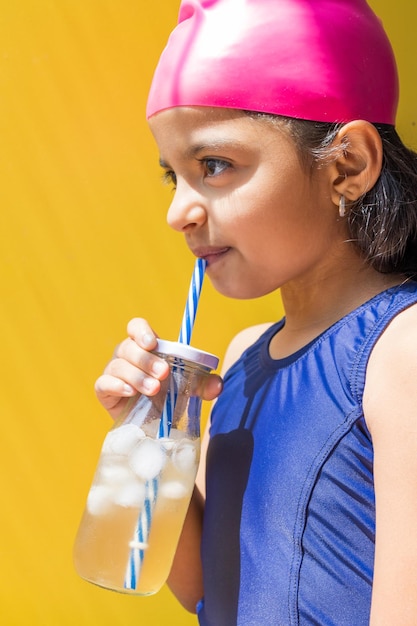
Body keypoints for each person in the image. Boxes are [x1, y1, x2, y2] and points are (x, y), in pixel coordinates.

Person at [95, 0, 417, 623]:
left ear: (347, 164)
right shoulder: (242, 357)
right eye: (174, 176)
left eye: (214, 166)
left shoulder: (399, 352)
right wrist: (149, 434)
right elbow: (207, 586)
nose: (179, 212)